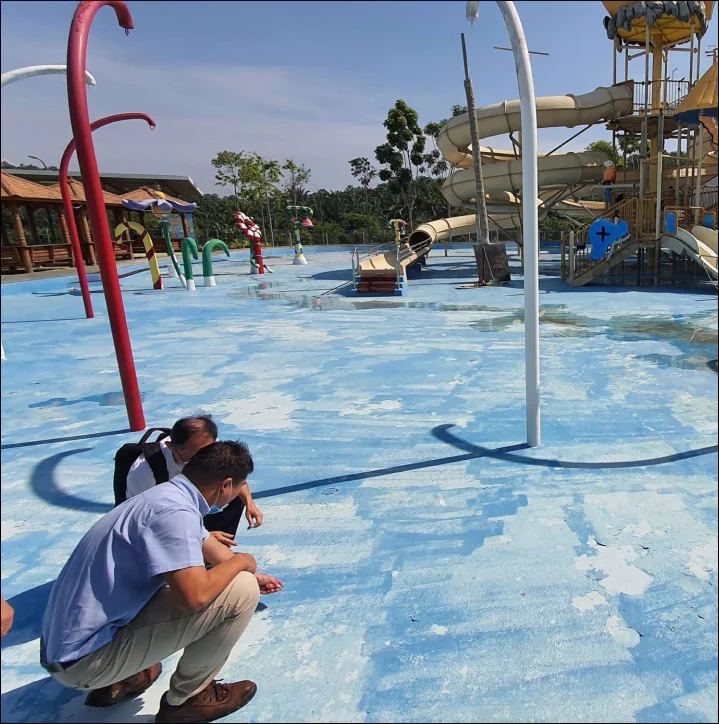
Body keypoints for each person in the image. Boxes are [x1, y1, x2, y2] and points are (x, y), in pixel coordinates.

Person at [41, 441, 283, 723]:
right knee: (241, 592)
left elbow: (211, 549)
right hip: (84, 662)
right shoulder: (176, 515)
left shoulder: (169, 497)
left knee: (223, 579)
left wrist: (250, 572)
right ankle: (188, 700)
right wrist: (244, 564)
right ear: (226, 485)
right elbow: (194, 598)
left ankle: (125, 676)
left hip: (68, 646)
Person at [124, 415, 264, 540]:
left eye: (207, 451)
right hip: (163, 519)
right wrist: (199, 536)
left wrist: (249, 504)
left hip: (194, 506)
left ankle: (217, 549)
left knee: (234, 495)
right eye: (191, 457)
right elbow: (140, 519)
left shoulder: (208, 448)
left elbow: (237, 479)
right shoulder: (144, 471)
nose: (203, 459)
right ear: (171, 446)